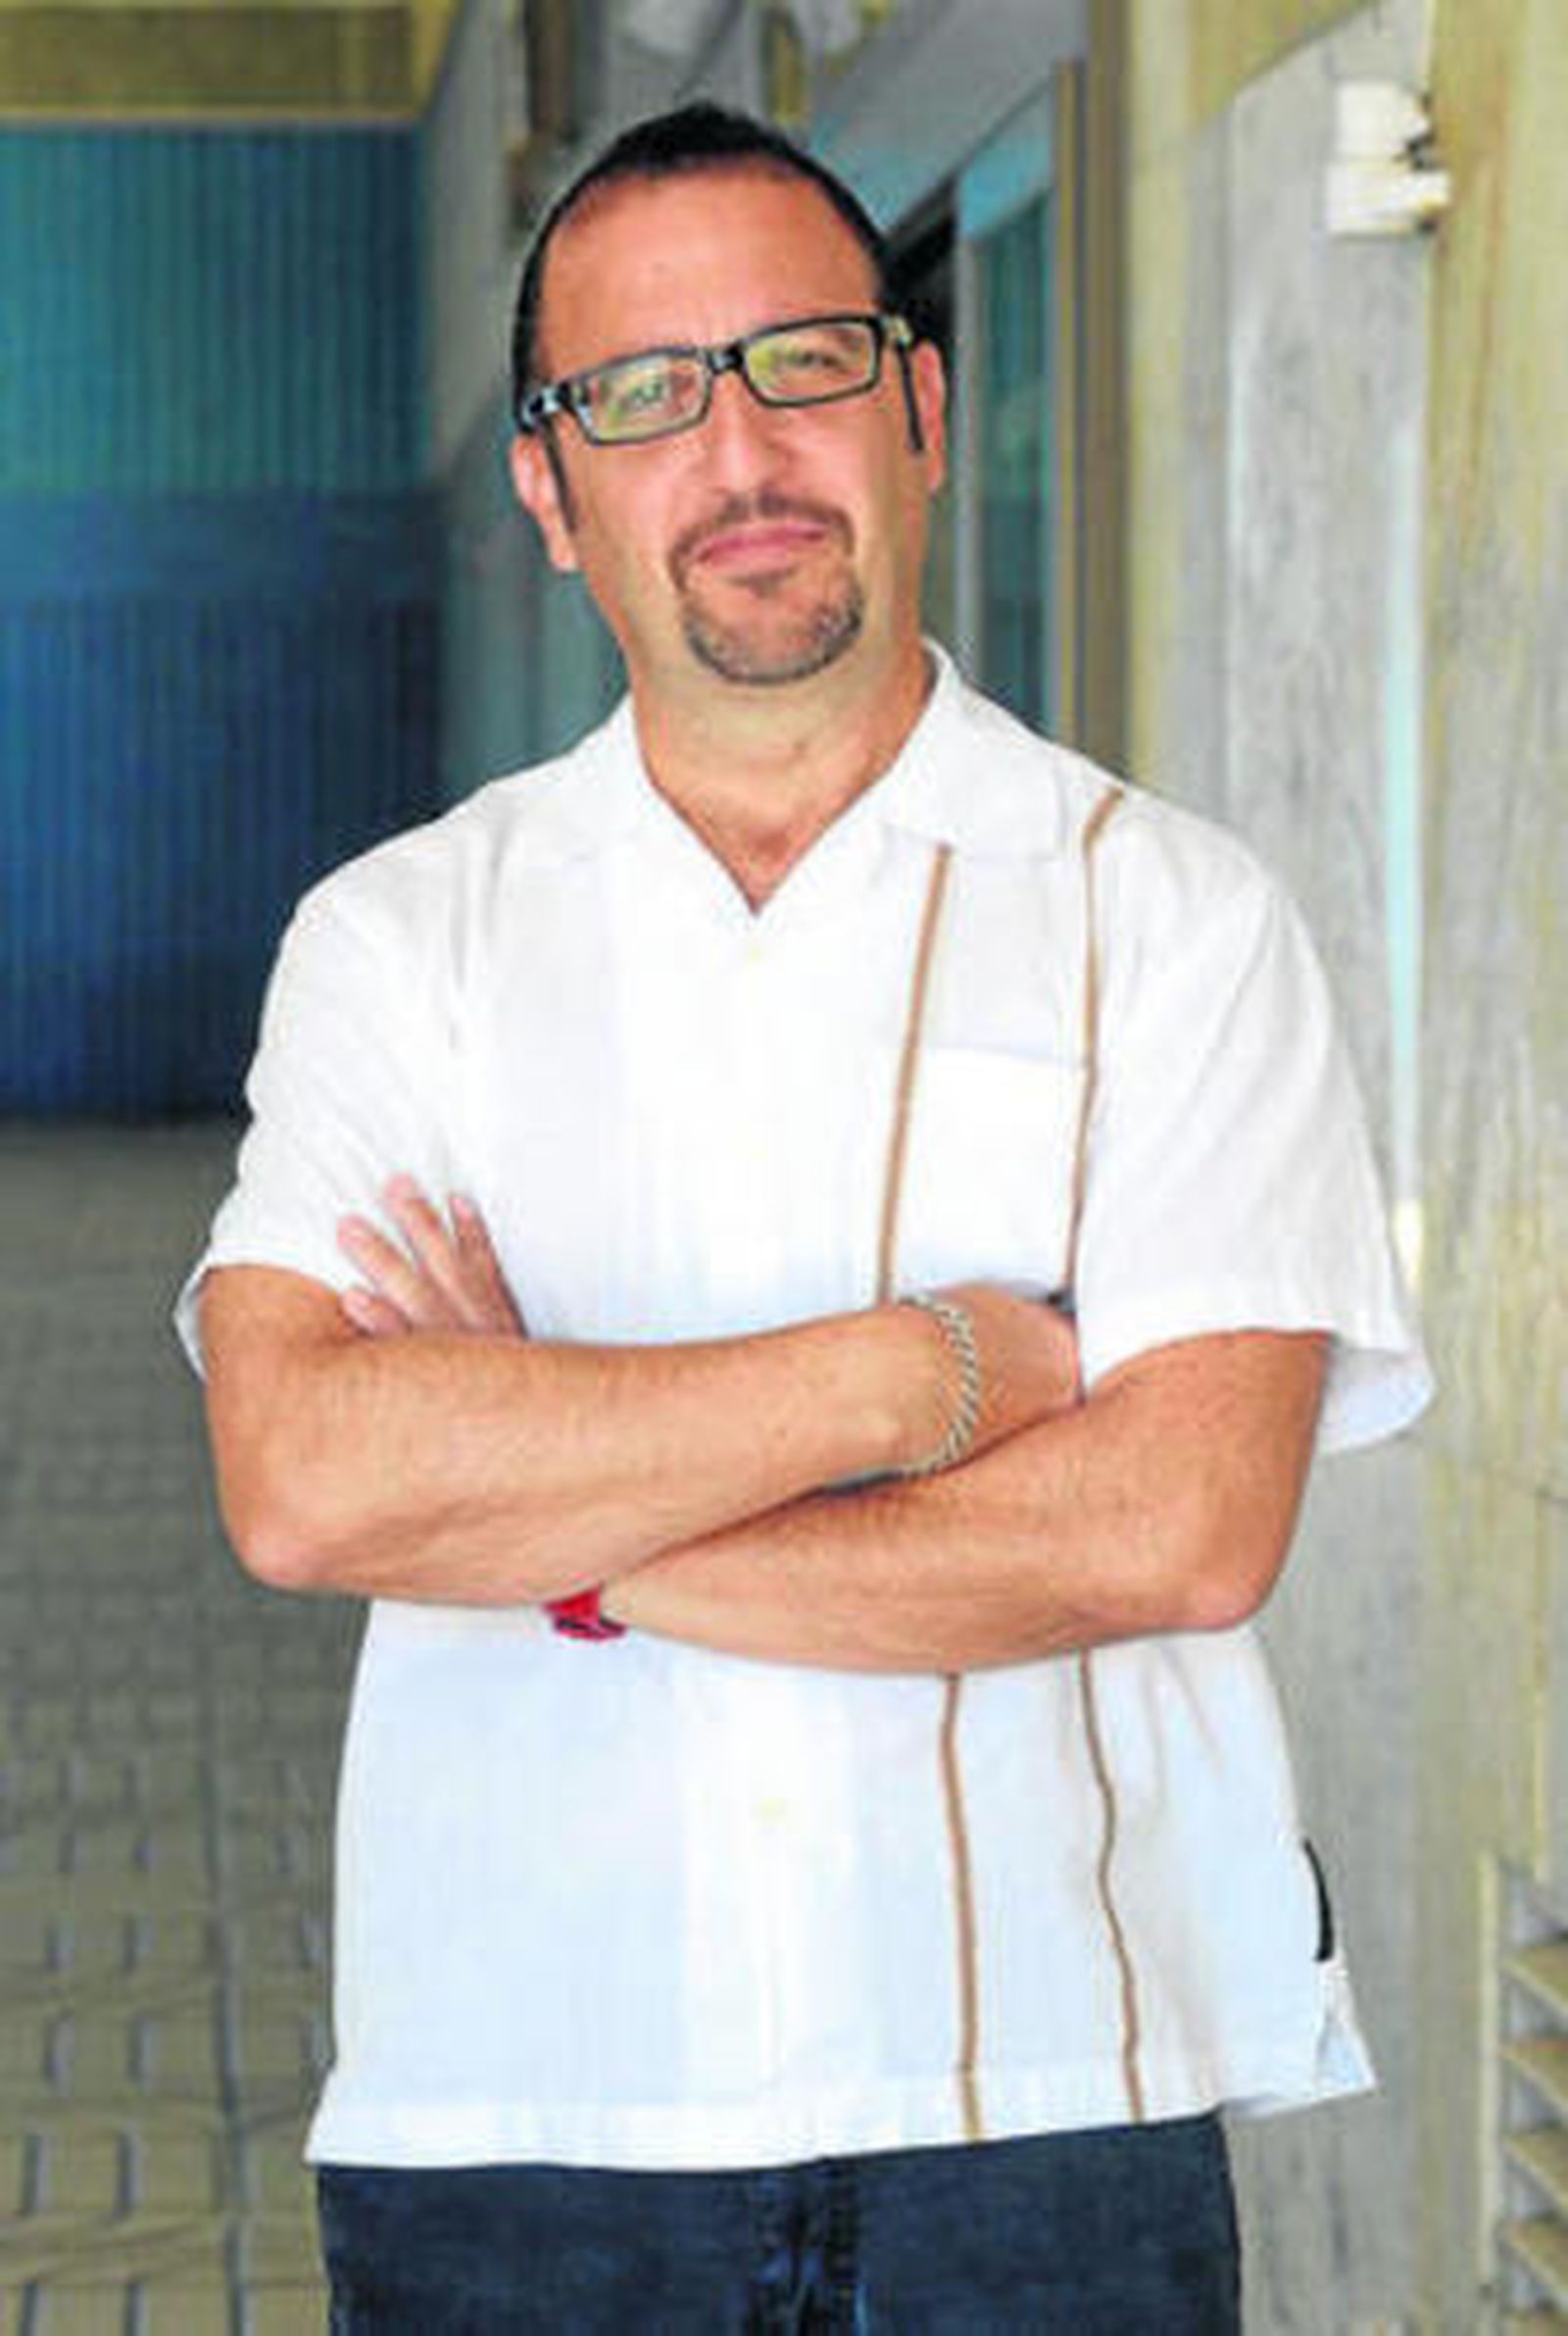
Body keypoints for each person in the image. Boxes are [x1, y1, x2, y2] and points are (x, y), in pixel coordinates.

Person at [178, 101, 1432, 2332]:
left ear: (920, 408)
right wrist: (922, 1369)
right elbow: (305, 1477)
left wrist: (551, 1510)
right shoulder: (405, 943)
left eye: (805, 364)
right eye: (639, 396)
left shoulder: (1166, 919)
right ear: (551, 496)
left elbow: (1170, 1529)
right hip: (519, 2113)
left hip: (1046, 2101)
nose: (737, 453)